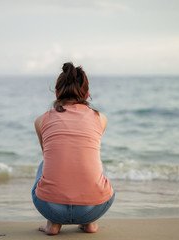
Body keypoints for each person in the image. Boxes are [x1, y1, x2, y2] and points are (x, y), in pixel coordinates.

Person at [32, 62, 115, 235]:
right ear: (86, 95)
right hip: (94, 207)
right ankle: (89, 223)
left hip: (50, 207)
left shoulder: (40, 121)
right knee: (96, 163)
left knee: (45, 163)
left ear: (56, 93)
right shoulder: (101, 119)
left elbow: (51, 157)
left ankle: (52, 225)